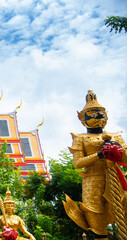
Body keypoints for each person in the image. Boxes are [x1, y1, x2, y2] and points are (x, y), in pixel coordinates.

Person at [64, 90, 127, 240]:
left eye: (101, 114)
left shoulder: (115, 136)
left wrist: (117, 148)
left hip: (116, 178)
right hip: (93, 180)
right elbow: (78, 163)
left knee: (124, 211)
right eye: (92, 114)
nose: (98, 117)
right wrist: (100, 154)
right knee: (96, 219)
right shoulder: (80, 138)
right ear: (82, 118)